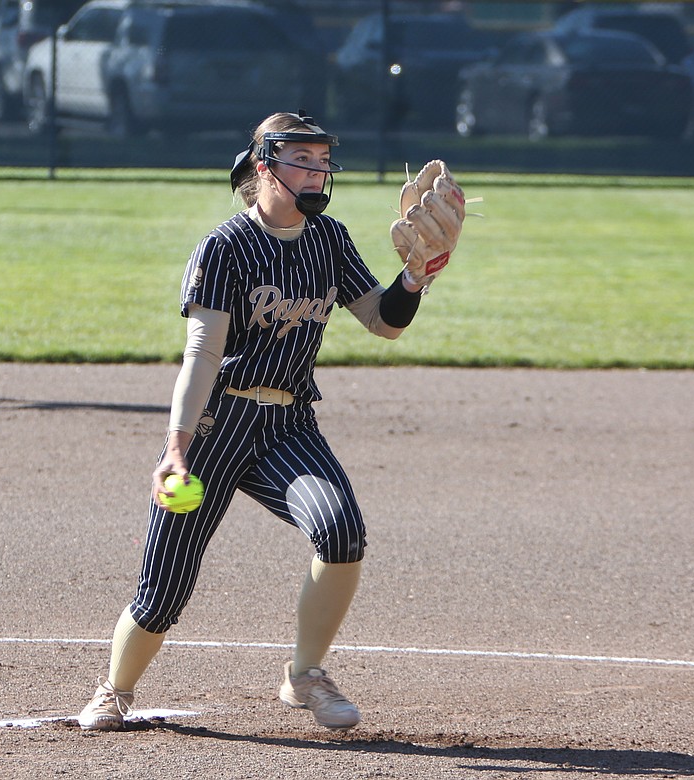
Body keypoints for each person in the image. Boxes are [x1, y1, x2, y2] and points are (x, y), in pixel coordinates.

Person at [76, 111, 465, 731]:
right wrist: (175, 449)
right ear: (264, 167)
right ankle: (114, 690)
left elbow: (382, 321)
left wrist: (415, 277)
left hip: (288, 425)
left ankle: (303, 675)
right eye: (302, 160)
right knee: (164, 592)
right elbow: (202, 355)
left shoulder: (329, 239)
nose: (317, 172)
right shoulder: (225, 247)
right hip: (216, 425)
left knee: (341, 532)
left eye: (321, 161)